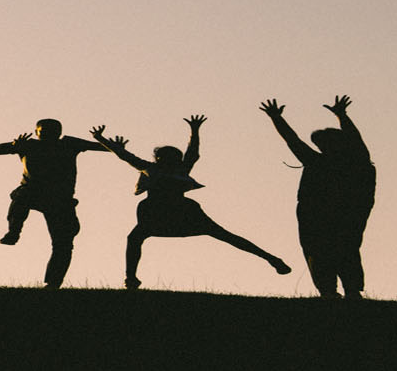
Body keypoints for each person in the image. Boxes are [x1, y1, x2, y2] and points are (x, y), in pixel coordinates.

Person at [92, 116, 290, 290]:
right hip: (159, 212)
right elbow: (126, 156)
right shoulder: (154, 169)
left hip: (181, 212)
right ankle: (131, 279)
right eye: (167, 157)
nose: (170, 160)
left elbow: (192, 153)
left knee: (224, 235)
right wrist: (102, 139)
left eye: (173, 157)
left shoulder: (177, 169)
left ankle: (272, 259)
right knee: (135, 238)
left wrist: (195, 131)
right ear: (160, 159)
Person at [259, 96, 377, 299]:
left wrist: (276, 118)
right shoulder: (356, 161)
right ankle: (341, 291)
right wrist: (342, 116)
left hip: (327, 215)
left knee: (329, 250)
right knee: (341, 249)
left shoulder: (331, 162)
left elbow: (293, 140)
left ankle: (337, 291)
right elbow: (293, 141)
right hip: (334, 215)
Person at [0, 119, 111, 288]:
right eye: (44, 132)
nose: (48, 136)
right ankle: (14, 231)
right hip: (33, 192)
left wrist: (103, 140)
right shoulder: (29, 145)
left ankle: (53, 283)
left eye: (52, 132)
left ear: (59, 133)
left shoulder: (69, 144)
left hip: (59, 199)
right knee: (21, 197)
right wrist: (14, 145)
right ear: (37, 133)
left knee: (64, 243)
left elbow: (106, 148)